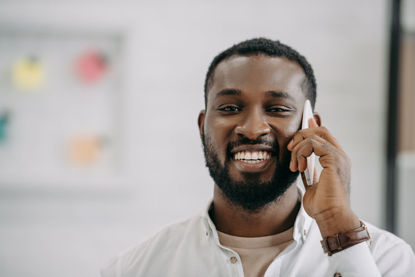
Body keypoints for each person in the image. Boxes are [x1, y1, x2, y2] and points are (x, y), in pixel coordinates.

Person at [101, 38, 415, 277]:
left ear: (311, 129)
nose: (252, 129)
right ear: (203, 127)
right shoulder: (133, 269)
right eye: (229, 108)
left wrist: (336, 225)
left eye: (277, 109)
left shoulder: (385, 260)